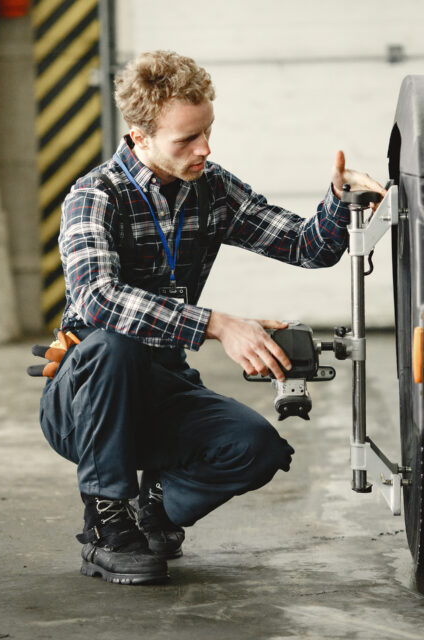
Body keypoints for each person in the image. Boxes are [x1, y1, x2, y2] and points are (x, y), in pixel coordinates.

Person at [32, 50, 385, 585]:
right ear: (139, 135)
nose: (205, 148)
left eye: (207, 131)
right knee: (112, 344)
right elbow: (98, 298)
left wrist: (342, 200)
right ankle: (106, 524)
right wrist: (217, 324)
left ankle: (151, 513)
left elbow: (304, 246)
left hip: (164, 381)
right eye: (186, 140)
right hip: (87, 398)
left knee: (256, 448)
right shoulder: (94, 196)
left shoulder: (211, 188)